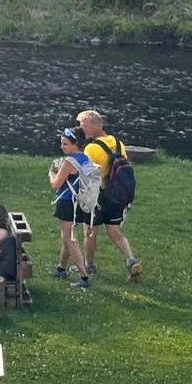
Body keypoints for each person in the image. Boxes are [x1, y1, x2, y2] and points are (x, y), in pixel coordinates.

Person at [77, 109, 141, 281]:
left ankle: (89, 266)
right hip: (117, 195)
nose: (81, 130)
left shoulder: (91, 148)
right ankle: (130, 259)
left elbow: (88, 174)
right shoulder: (117, 142)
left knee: (90, 231)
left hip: (98, 196)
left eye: (83, 126)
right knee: (114, 231)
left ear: (94, 126)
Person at [47, 127, 94, 288]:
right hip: (80, 202)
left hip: (67, 203)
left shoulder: (68, 162)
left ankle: (84, 277)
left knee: (69, 239)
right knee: (68, 236)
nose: (62, 147)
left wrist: (51, 174)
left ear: (75, 144)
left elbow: (56, 184)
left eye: (65, 144)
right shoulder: (86, 158)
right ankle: (61, 268)